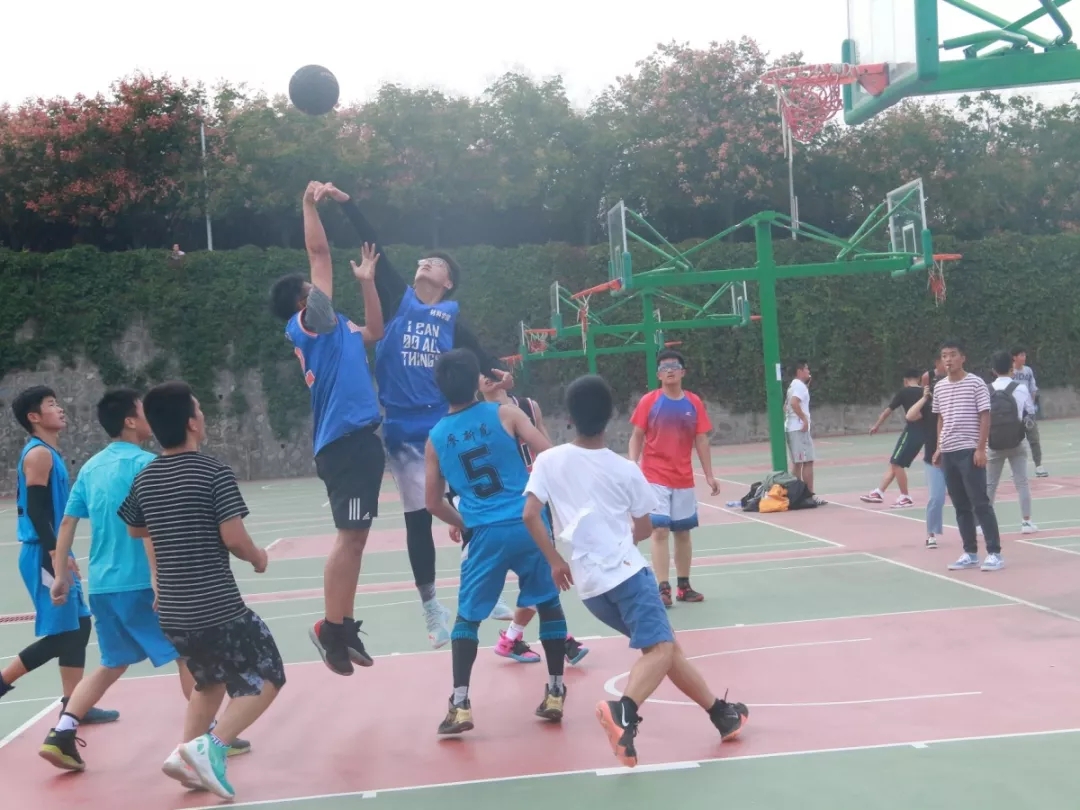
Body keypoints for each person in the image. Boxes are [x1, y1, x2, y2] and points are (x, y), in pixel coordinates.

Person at [314, 181, 513, 648]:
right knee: (418, 517)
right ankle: (430, 607)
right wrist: (347, 203)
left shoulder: (450, 319)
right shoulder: (397, 299)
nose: (426, 263)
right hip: (402, 428)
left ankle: (483, 586)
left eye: (436, 263)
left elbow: (481, 354)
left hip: (445, 423)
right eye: (423, 260)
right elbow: (374, 244)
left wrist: (498, 373)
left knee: (473, 505)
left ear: (448, 282)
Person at [523, 374, 748, 768]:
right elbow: (644, 528)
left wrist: (556, 561)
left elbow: (529, 515)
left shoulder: (548, 460)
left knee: (665, 649)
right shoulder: (625, 470)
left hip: (590, 587)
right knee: (661, 649)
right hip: (627, 574)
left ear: (569, 418)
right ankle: (623, 712)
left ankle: (721, 714)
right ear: (611, 417)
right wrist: (622, 539)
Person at [42, 389, 249, 775]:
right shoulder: (149, 465)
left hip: (103, 585)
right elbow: (149, 527)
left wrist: (60, 574)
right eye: (142, 411)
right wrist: (158, 578)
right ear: (130, 421)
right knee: (189, 656)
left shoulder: (91, 467)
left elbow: (67, 522)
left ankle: (62, 731)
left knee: (111, 663)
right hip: (139, 582)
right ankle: (205, 738)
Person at [118, 381, 284, 801]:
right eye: (200, 409)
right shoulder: (213, 472)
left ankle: (185, 758)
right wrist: (258, 557)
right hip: (216, 607)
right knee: (268, 674)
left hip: (174, 612)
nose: (204, 415)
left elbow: (135, 528)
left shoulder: (146, 477)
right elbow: (234, 537)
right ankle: (212, 747)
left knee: (208, 682)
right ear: (192, 423)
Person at [268, 181, 384, 676]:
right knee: (350, 537)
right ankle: (329, 627)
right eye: (311, 288)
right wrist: (308, 203)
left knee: (357, 538)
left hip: (358, 440)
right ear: (303, 299)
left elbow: (375, 331)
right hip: (345, 442)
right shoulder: (310, 324)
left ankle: (342, 624)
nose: (319, 287)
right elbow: (319, 254)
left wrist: (367, 282)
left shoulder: (337, 328)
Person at [423, 350, 568, 734]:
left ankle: (460, 704)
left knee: (468, 617)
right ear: (476, 379)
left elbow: (432, 502)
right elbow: (549, 455)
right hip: (528, 522)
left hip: (484, 532)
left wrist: (464, 523)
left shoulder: (435, 438)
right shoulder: (506, 413)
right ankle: (555, 692)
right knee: (547, 602)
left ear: (438, 387)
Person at [1, 386, 117, 725]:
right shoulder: (39, 454)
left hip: (50, 549)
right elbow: (37, 511)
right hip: (42, 552)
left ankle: (73, 705)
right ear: (34, 417)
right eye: (52, 404)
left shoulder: (49, 452)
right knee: (65, 633)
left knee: (79, 625)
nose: (60, 409)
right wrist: (56, 553)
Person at [472, 373, 588, 667]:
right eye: (480, 374)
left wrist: (563, 484)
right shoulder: (475, 416)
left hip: (534, 496)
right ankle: (548, 639)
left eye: (491, 371)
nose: (487, 378)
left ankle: (517, 638)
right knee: (541, 573)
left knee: (543, 571)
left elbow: (545, 448)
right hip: (502, 505)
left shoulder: (527, 406)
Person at [628, 349, 719, 607]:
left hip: (683, 478)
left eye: (674, 366)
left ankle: (684, 586)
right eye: (664, 367)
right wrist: (632, 464)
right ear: (658, 375)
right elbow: (637, 435)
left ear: (683, 372)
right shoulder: (649, 401)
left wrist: (709, 475)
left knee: (683, 532)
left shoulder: (694, 402)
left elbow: (701, 439)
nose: (669, 370)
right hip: (655, 476)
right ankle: (663, 588)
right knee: (659, 530)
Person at [931, 340, 1004, 572]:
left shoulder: (976, 383)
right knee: (960, 505)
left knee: (980, 502)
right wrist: (939, 447)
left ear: (963, 358)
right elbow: (941, 418)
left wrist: (980, 448)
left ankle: (994, 553)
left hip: (969, 450)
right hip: (949, 452)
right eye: (944, 355)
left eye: (953, 355)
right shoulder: (940, 387)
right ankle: (970, 553)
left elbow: (985, 415)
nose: (948, 359)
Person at [986, 350, 1038, 534]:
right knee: (1022, 482)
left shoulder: (987, 390)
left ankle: (983, 524)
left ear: (993, 370)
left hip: (993, 442)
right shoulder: (1020, 388)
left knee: (990, 484)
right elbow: (1030, 412)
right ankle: (1026, 522)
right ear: (1012, 368)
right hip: (1016, 441)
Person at [861, 369, 927, 508]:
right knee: (894, 462)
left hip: (912, 432)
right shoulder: (925, 393)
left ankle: (905, 497)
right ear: (919, 379)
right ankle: (879, 492)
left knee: (897, 463)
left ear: (905, 380)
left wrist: (876, 425)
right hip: (922, 433)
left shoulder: (903, 392)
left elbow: (888, 411)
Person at [904, 357, 948, 548]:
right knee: (936, 497)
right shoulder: (928, 408)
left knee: (966, 495)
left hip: (955, 454)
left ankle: (974, 528)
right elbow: (910, 415)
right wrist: (924, 398)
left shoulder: (953, 405)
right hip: (933, 457)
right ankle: (931, 533)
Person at [783, 360, 822, 501]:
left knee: (798, 462)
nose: (808, 371)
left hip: (792, 428)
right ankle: (809, 495)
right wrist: (804, 419)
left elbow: (786, 407)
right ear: (799, 371)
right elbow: (794, 403)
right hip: (799, 429)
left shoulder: (793, 386)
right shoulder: (799, 386)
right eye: (806, 369)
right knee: (808, 461)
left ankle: (797, 494)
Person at [1011, 347, 1047, 478]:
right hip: (1014, 412)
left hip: (1028, 412)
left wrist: (1030, 405)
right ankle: (1016, 469)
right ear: (1014, 357)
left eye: (1024, 355)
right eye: (1021, 355)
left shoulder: (1028, 371)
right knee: (1015, 442)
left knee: (1034, 439)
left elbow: (1033, 388)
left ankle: (1039, 466)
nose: (1024, 357)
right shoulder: (1010, 371)